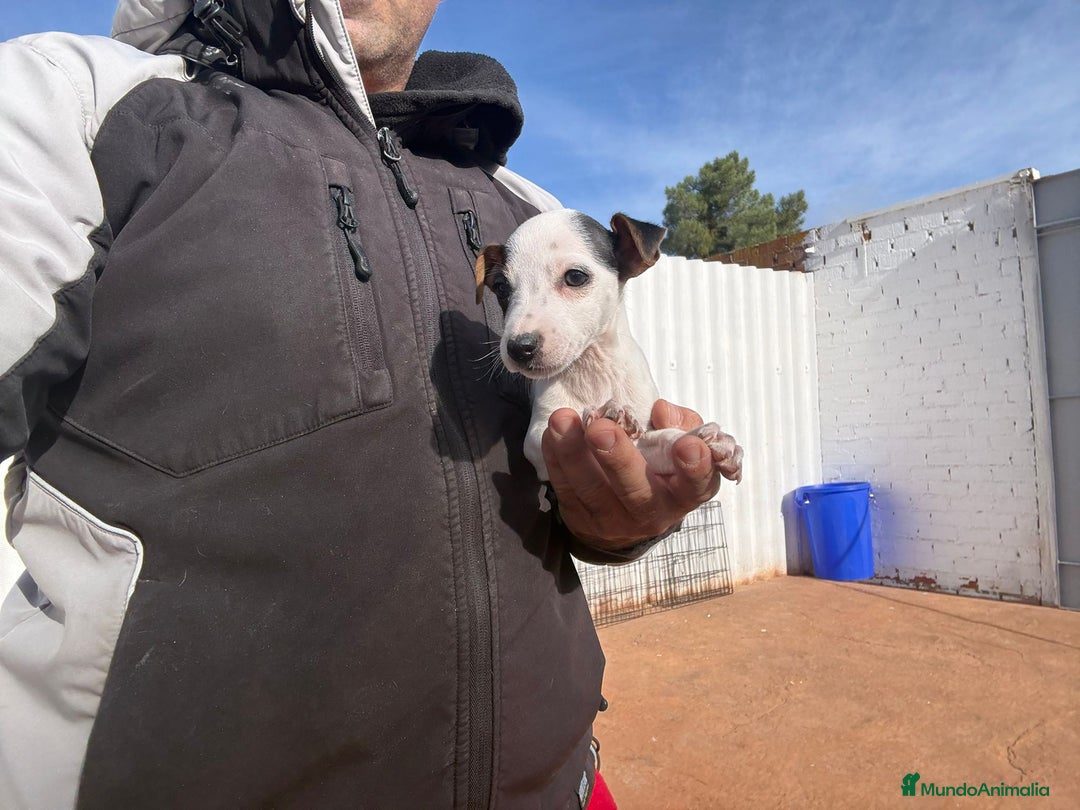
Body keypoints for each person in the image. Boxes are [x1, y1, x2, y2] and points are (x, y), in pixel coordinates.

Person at [0, 2, 725, 807]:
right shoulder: (82, 108)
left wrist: (611, 522)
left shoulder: (527, 213)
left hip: (557, 785)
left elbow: (545, 500)